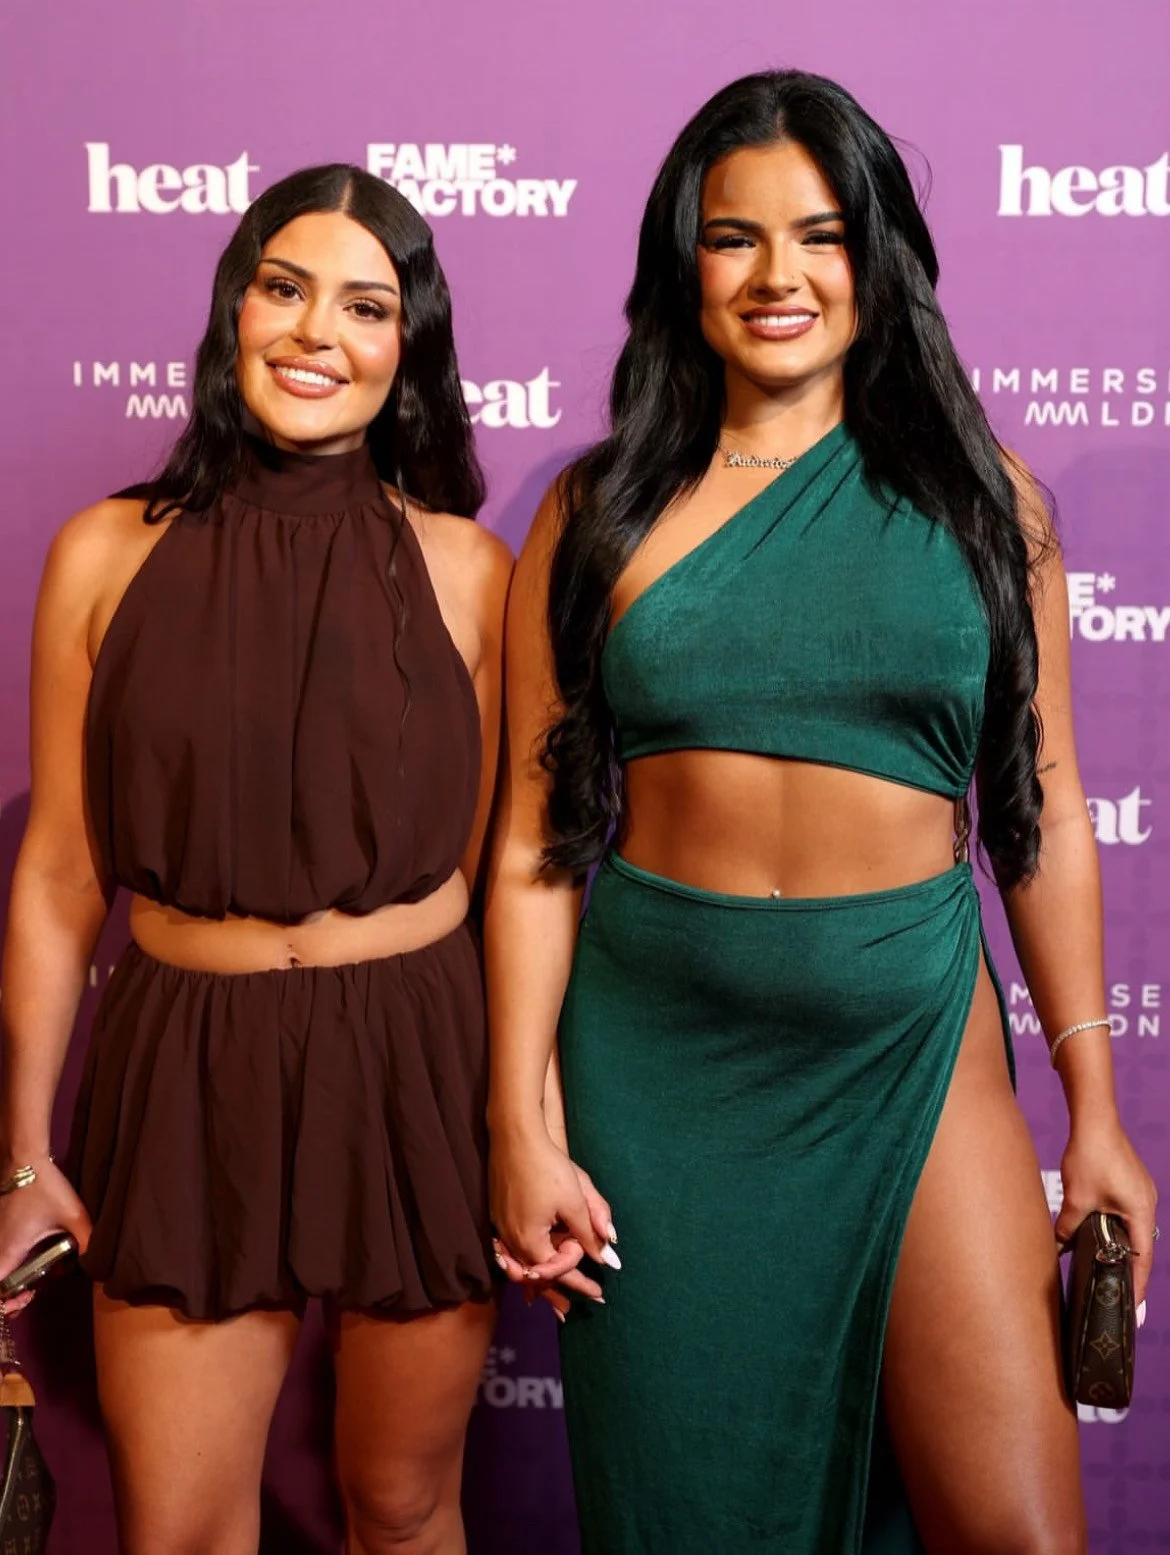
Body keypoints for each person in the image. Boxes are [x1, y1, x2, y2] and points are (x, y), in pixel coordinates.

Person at [485, 71, 1157, 1555]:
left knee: (1021, 1532)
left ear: (878, 256)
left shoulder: (989, 506)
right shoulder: (596, 512)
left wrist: (1096, 1108)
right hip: (658, 1076)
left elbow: (1041, 806)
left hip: (911, 1050)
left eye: (821, 235)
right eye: (735, 238)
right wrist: (517, 1119)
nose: (777, 276)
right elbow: (535, 840)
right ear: (685, 265)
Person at [0, 164, 511, 1555]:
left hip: (414, 1057)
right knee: (180, 1532)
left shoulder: (474, 572)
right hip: (184, 1061)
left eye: (366, 306)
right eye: (285, 288)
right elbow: (60, 875)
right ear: (235, 307)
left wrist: (523, 1123)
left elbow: (502, 887)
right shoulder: (103, 553)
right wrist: (24, 1153)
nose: (315, 332)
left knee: (403, 1509)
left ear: (409, 349)